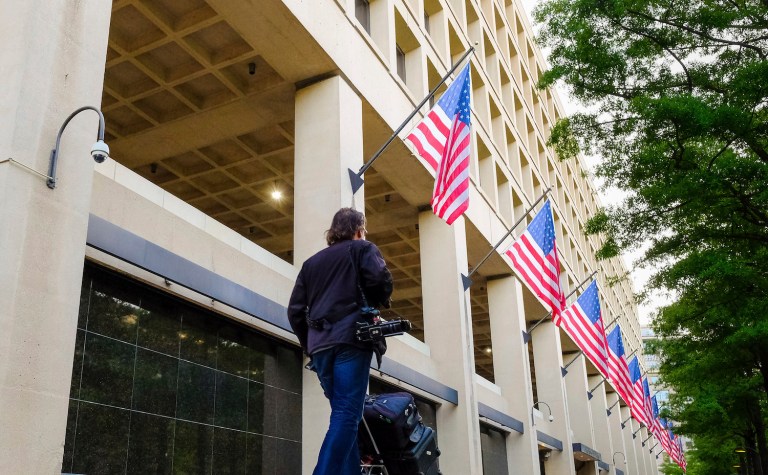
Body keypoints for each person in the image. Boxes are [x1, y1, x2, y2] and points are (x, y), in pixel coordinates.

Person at [288, 207, 393, 475]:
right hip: (351, 340)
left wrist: (309, 345)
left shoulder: (311, 264)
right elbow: (381, 280)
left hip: (320, 348)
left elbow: (295, 311)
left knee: (345, 415)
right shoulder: (362, 249)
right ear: (359, 229)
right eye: (364, 229)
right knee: (347, 414)